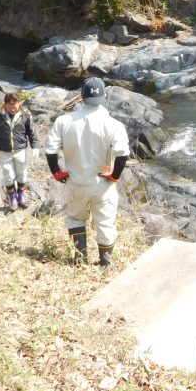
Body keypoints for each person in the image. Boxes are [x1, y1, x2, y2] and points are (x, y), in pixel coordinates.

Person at [45, 78, 130, 267]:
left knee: (75, 218)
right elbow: (123, 153)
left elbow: (50, 150)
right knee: (105, 222)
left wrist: (57, 173)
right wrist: (114, 176)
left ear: (81, 96)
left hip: (75, 182)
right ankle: (105, 263)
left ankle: (80, 260)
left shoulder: (64, 121)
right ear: (103, 97)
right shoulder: (113, 124)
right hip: (102, 185)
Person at [0, 92, 39, 209]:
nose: (13, 109)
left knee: (22, 174)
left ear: (19, 103)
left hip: (20, 150)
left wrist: (35, 146)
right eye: (10, 107)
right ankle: (12, 196)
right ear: (5, 104)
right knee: (8, 175)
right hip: (3, 150)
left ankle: (21, 194)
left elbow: (32, 131)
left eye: (15, 106)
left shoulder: (26, 114)